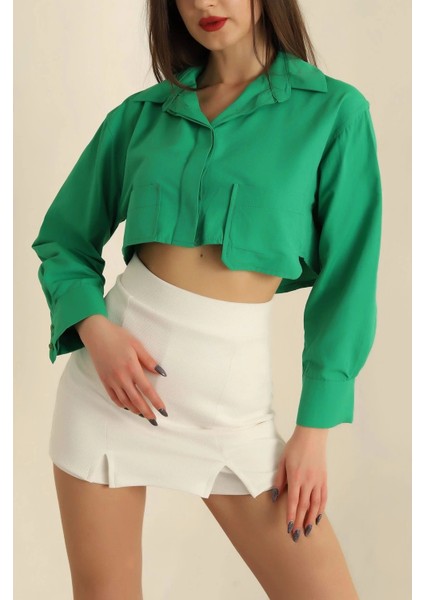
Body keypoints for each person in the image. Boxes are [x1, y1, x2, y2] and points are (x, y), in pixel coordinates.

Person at [31, 0, 382, 598]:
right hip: (105, 395)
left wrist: (314, 432)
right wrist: (96, 329)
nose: (203, 4)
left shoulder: (333, 112)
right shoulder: (142, 116)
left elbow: (350, 279)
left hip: (232, 414)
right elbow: (63, 239)